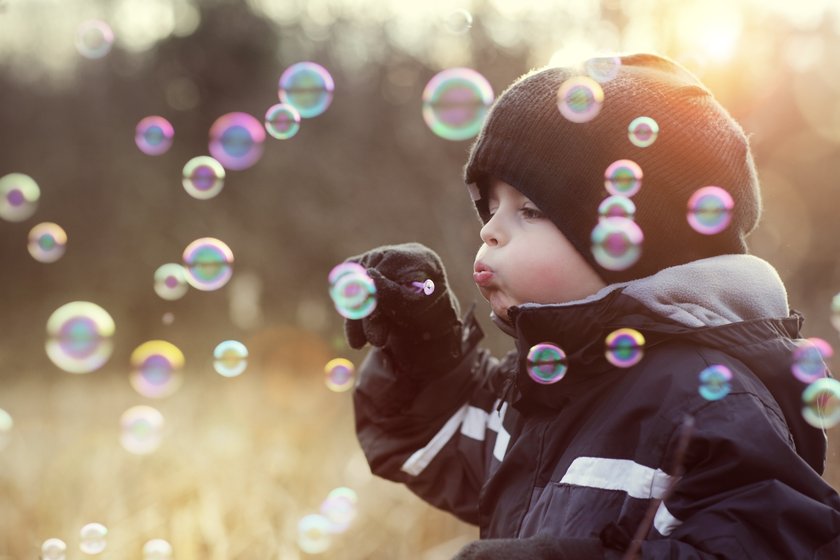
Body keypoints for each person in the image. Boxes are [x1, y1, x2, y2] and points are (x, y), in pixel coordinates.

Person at [340, 53, 840, 559]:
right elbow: (429, 436)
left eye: (530, 210)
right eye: (491, 209)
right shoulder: (552, 382)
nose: (490, 231)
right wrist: (420, 342)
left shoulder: (709, 405)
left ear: (633, 243)